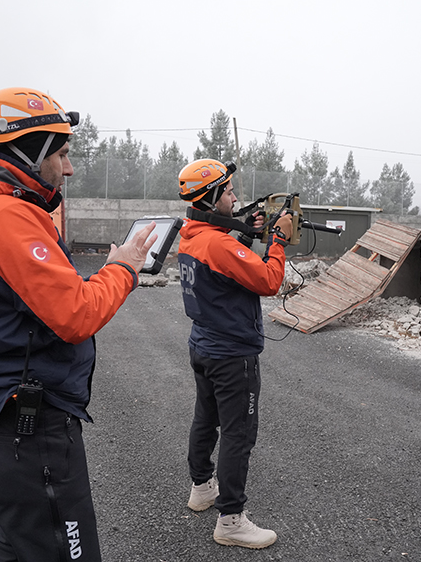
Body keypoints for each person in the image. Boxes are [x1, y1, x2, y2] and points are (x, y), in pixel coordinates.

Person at [0, 87, 156, 562]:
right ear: (28, 150)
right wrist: (124, 268)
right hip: (28, 421)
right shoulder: (6, 216)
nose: (70, 167)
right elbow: (76, 314)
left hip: (11, 413)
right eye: (61, 153)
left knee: (22, 546)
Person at [176, 158, 293, 549]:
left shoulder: (193, 234)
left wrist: (246, 233)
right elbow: (269, 280)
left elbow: (224, 268)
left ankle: (202, 489)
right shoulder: (218, 243)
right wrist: (277, 240)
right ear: (211, 197)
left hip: (204, 344)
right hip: (231, 355)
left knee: (205, 420)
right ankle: (230, 519)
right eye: (228, 191)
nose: (235, 196)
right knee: (238, 435)